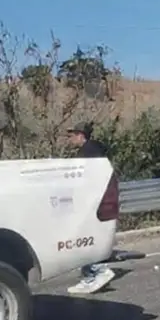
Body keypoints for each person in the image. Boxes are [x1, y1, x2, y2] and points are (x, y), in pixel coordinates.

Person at [66, 122, 117, 295]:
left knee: (83, 237)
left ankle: (98, 271)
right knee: (89, 238)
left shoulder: (87, 154)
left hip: (92, 202)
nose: (70, 139)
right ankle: (90, 275)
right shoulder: (96, 151)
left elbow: (84, 180)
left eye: (72, 135)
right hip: (100, 201)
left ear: (81, 135)